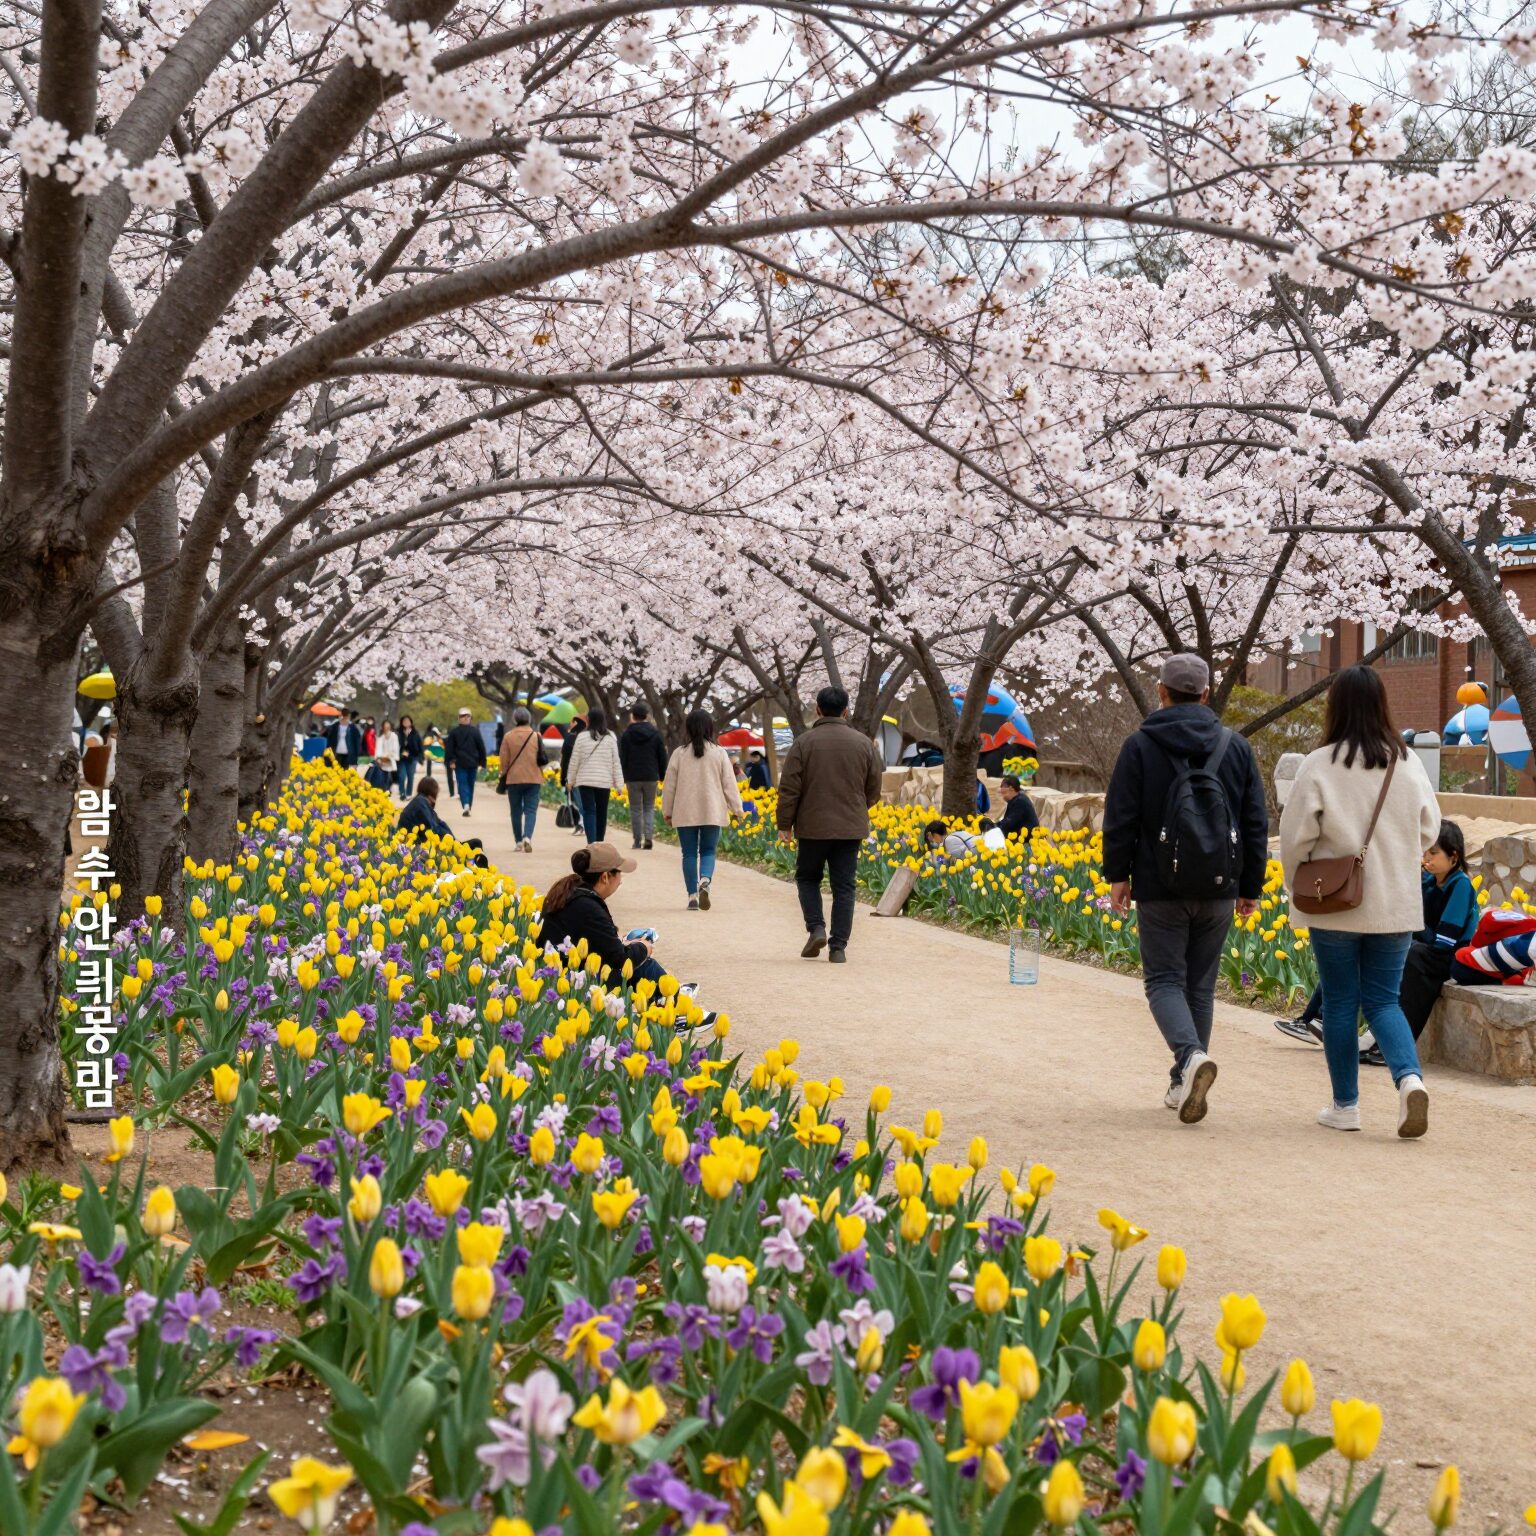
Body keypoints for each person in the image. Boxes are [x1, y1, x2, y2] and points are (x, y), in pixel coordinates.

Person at [1103, 654, 1269, 1124]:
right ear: (1206, 693)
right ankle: (1184, 1077)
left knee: (1162, 981)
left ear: (1161, 692)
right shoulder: (1235, 747)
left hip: (1160, 885)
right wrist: (1250, 884)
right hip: (1220, 884)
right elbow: (1255, 821)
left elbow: (1121, 816)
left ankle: (1189, 1059)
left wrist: (1119, 874)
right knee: (1200, 987)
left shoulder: (1140, 745)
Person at [1280, 665, 1439, 1138]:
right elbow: (1429, 830)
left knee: (1343, 1003)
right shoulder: (1406, 762)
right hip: (1394, 902)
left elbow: (1294, 838)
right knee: (1385, 1002)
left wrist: (1299, 883)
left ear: (1337, 706)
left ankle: (1345, 1106)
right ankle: (1409, 1079)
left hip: (1336, 902)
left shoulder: (1320, 762)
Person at [1276, 820, 1479, 1059]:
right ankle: (1316, 1018)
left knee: (1408, 955)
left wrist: (1408, 913)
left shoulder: (1460, 885)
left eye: (1434, 853)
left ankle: (1387, 1046)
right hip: (1424, 949)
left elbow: (1443, 941)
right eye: (1425, 851)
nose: (1427, 858)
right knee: (1362, 945)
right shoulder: (1430, 882)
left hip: (1446, 956)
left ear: (1453, 857)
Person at [775, 685, 884, 963]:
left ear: (818, 710)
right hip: (850, 827)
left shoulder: (803, 743)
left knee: (808, 877)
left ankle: (817, 927)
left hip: (813, 826)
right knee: (844, 886)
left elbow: (789, 788)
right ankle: (838, 947)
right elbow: (874, 787)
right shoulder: (864, 744)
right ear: (846, 710)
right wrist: (858, 808)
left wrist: (785, 823)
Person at [536, 843, 668, 984]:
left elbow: (600, 943)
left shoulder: (567, 892)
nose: (620, 879)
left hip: (557, 971)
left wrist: (626, 944)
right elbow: (620, 960)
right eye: (619, 873)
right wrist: (643, 947)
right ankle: (675, 1000)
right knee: (646, 967)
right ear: (605, 877)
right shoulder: (587, 906)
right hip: (573, 981)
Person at [662, 709, 743, 910]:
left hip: (685, 810)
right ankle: (705, 880)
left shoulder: (679, 753)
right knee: (708, 851)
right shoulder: (719, 753)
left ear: (688, 728)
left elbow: (669, 785)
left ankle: (691, 896)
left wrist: (667, 811)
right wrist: (737, 809)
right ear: (710, 727)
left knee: (688, 854)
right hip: (712, 811)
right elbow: (729, 784)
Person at [396, 777, 488, 866]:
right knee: (476, 844)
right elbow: (433, 830)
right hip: (420, 848)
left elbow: (439, 824)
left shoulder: (421, 802)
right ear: (432, 791)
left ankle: (476, 869)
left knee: (475, 844)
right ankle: (477, 872)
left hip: (427, 845)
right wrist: (453, 844)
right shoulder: (421, 804)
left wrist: (454, 842)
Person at [566, 707, 625, 843]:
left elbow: (574, 760)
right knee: (601, 811)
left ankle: (591, 842)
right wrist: (619, 784)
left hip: (585, 780)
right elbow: (616, 762)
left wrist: (570, 780)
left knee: (589, 811)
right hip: (604, 781)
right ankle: (600, 841)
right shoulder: (610, 738)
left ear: (589, 720)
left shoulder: (581, 737)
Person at [619, 703, 668, 850]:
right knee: (648, 807)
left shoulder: (627, 734)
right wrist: (662, 774)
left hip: (632, 776)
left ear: (633, 716)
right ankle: (648, 838)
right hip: (651, 775)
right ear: (646, 716)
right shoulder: (655, 733)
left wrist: (623, 774)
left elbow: (623, 757)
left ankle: (636, 840)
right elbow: (662, 756)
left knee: (635, 809)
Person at [498, 706, 547, 852]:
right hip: (533, 778)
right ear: (529, 719)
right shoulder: (536, 735)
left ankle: (518, 841)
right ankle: (528, 837)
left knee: (515, 810)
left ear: (515, 719)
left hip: (514, 779)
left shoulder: (508, 736)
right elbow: (541, 758)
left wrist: (504, 773)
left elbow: (503, 760)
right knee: (531, 810)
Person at [445, 707, 488, 815]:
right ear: (459, 719)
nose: (465, 719)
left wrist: (483, 761)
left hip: (470, 763)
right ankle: (466, 804)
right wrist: (451, 761)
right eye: (463, 717)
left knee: (468, 784)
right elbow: (450, 748)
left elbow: (481, 747)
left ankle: (467, 804)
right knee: (464, 784)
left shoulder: (472, 731)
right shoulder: (455, 732)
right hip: (462, 763)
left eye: (467, 717)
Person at [996, 774, 1039, 840]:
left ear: (1011, 788)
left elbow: (1009, 823)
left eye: (1002, 786)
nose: (1000, 790)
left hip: (1027, 841)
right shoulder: (1016, 799)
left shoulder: (1020, 801)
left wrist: (993, 827)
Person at [397, 715, 423, 799]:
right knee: (401, 776)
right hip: (401, 758)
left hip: (412, 758)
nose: (406, 723)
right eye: (404, 721)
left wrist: (420, 757)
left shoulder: (415, 733)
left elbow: (419, 746)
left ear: (411, 722)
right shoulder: (398, 733)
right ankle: (402, 793)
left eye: (408, 721)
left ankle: (409, 793)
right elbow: (397, 745)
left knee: (410, 776)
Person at [370, 719, 399, 791]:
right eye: (385, 727)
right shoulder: (380, 737)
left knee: (389, 780)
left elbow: (395, 748)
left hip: (390, 761)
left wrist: (389, 756)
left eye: (388, 727)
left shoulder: (394, 736)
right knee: (381, 781)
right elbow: (378, 749)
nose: (386, 728)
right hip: (381, 762)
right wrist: (379, 758)